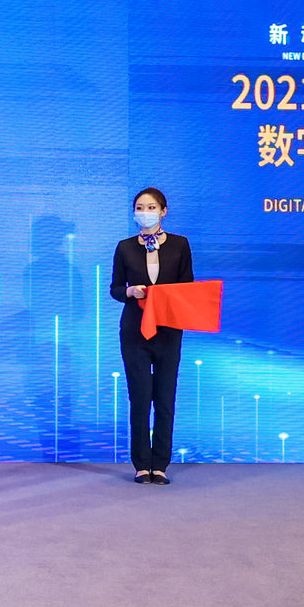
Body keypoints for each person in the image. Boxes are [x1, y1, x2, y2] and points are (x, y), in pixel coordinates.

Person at [109, 187, 193, 486]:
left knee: (165, 398)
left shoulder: (180, 244)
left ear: (164, 211)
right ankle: (141, 464)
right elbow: (115, 288)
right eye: (140, 208)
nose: (145, 213)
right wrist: (130, 291)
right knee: (140, 397)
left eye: (151, 207)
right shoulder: (124, 247)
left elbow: (187, 287)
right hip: (135, 331)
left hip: (168, 329)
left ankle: (160, 464)